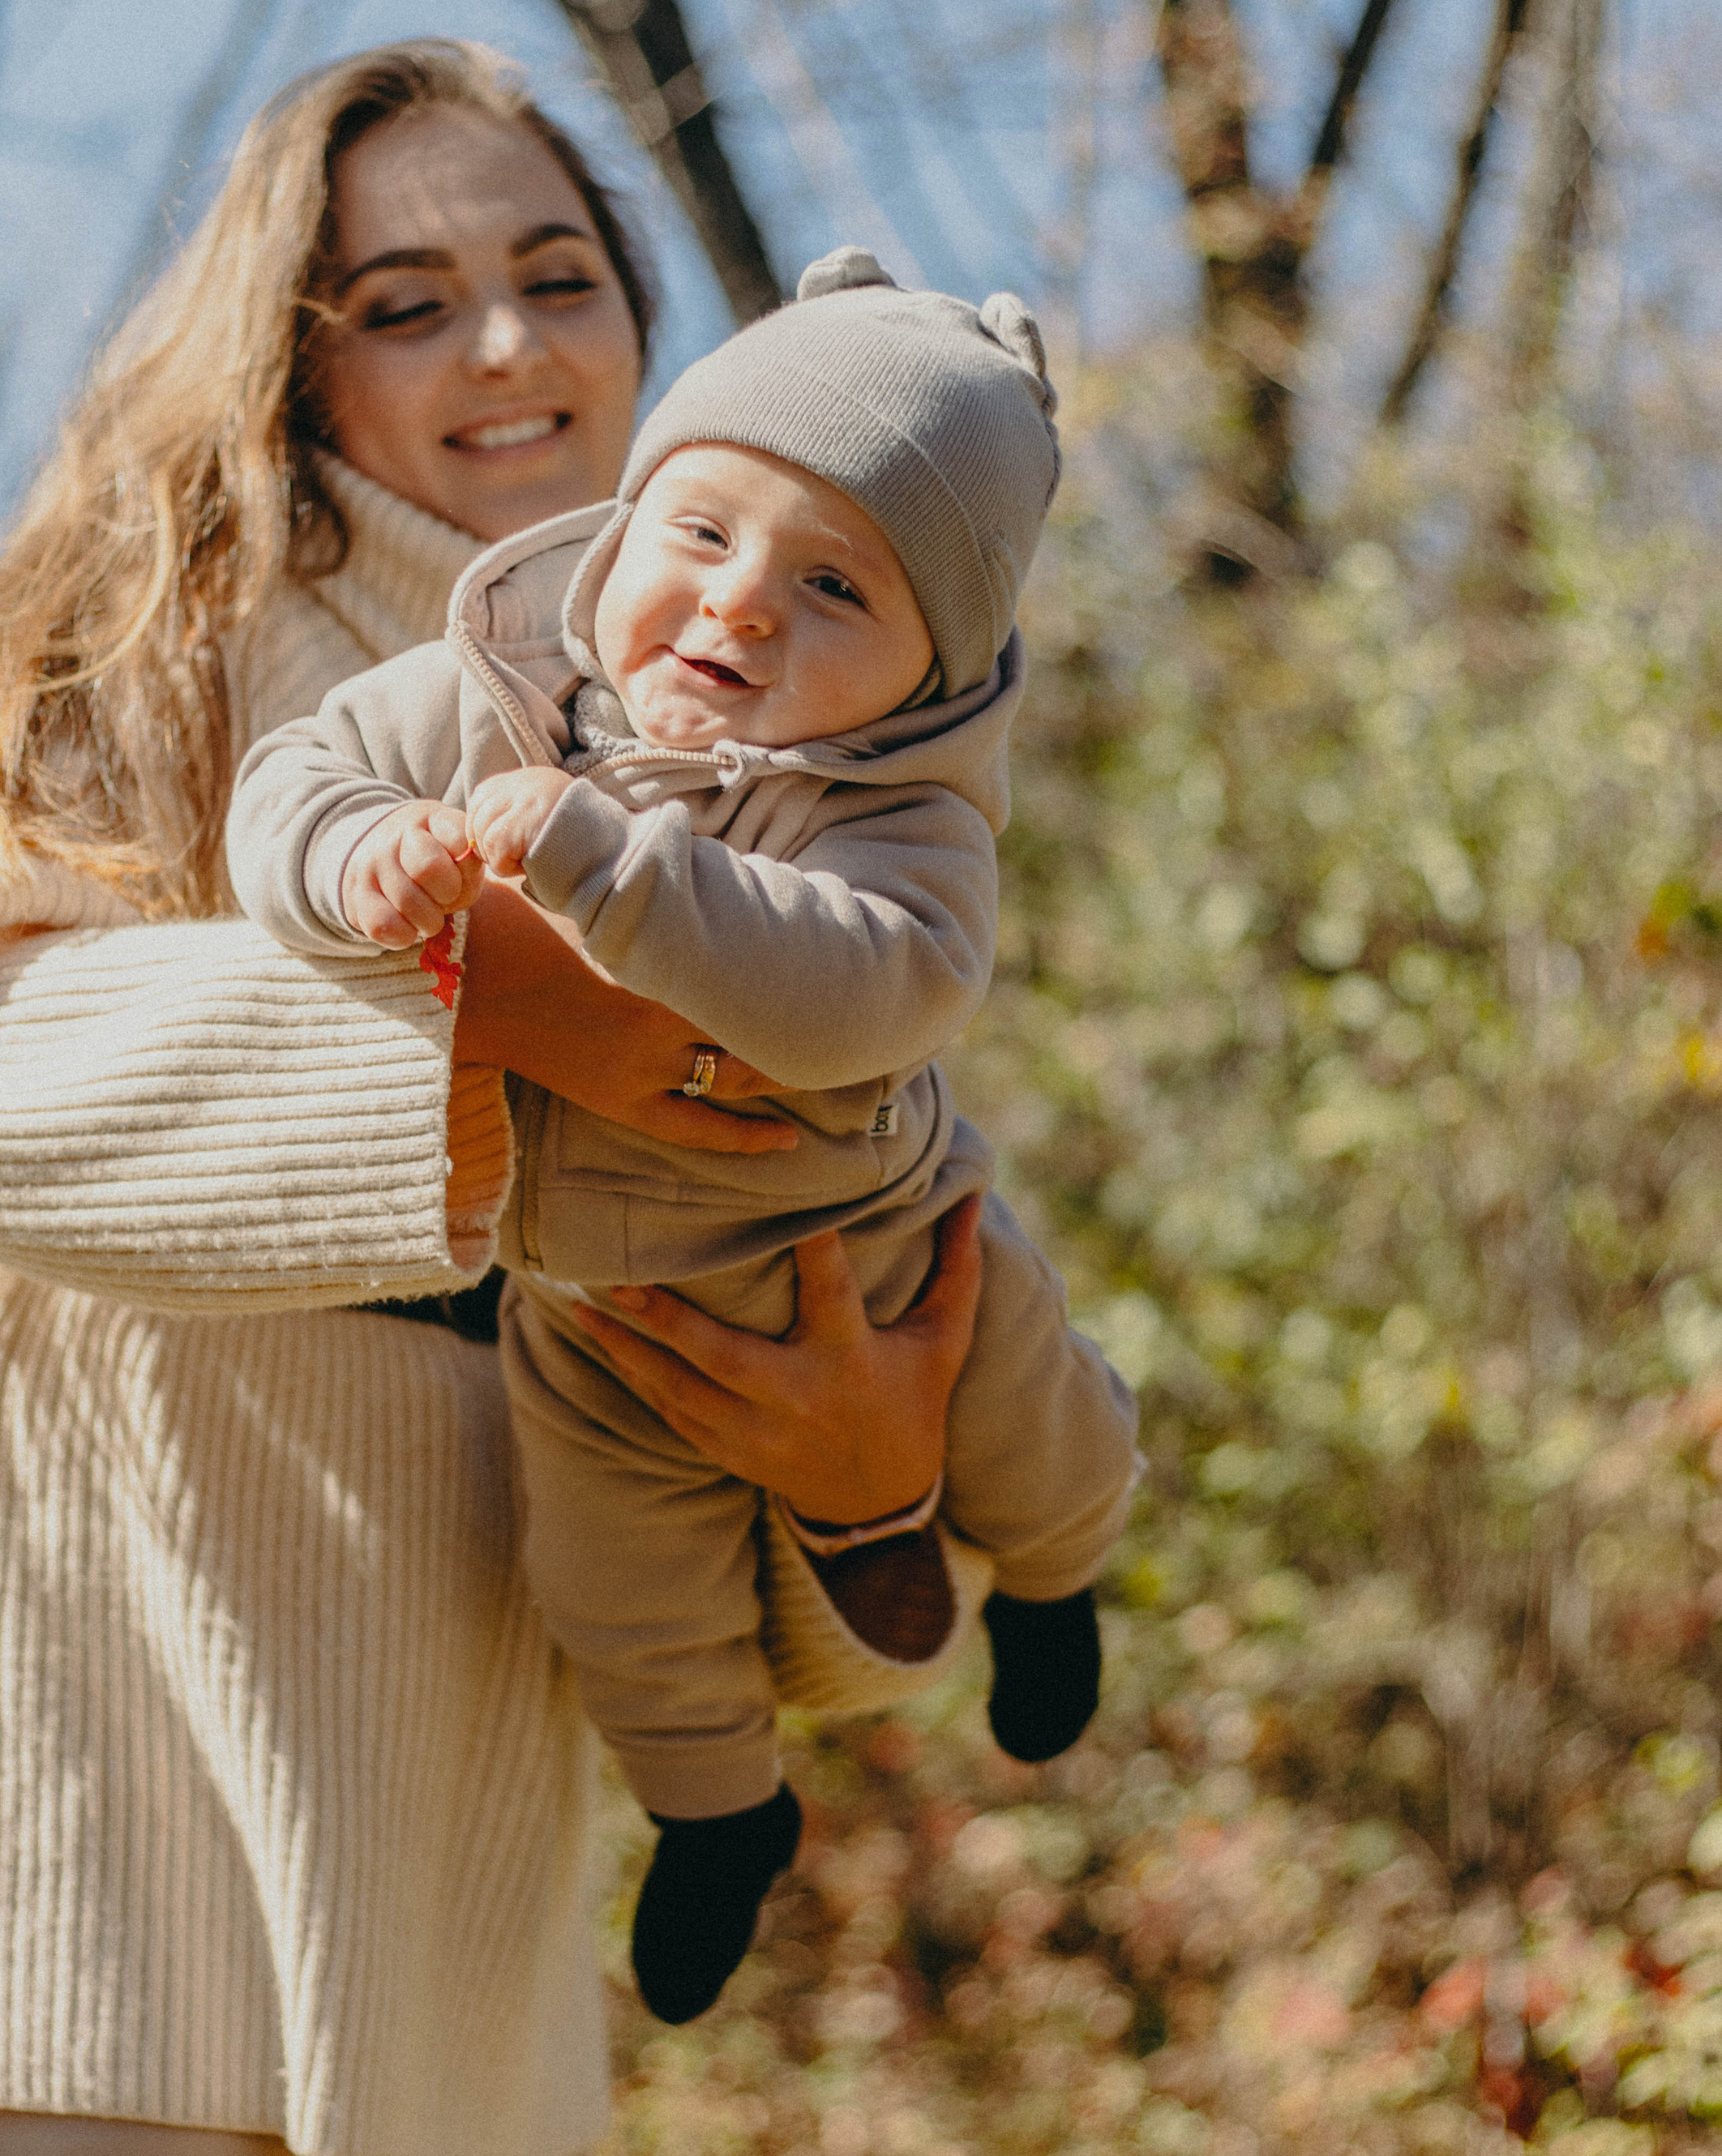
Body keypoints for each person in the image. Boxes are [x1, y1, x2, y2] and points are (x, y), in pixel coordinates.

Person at [0, 41, 990, 2156]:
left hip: (442, 1848)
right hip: (69, 1766)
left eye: (561, 279)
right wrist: (483, 1032)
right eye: (410, 300)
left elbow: (776, 1350)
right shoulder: (135, 649)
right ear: (290, 357)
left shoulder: (808, 766)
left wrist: (873, 1509)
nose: (510, 351)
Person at [225, 249, 1139, 2026]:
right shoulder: (491, 686)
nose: (736, 609)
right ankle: (718, 1816)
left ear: (921, 668)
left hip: (880, 1248)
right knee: (612, 1591)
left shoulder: (894, 809)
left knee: (1043, 1435)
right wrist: (349, 864)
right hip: (590, 1309)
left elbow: (856, 999)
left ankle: (1055, 1587)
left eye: (831, 587)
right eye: (699, 534)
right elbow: (297, 777)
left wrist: (597, 863)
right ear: (625, 520)